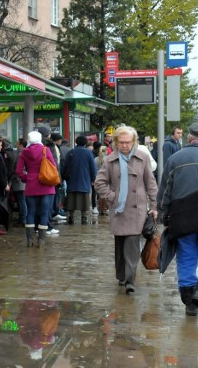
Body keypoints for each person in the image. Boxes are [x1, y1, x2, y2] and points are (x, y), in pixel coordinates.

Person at [94, 125, 158, 295]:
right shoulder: (109, 160)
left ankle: (130, 279)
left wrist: (155, 206)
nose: (124, 145)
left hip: (137, 209)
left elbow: (151, 183)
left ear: (134, 142)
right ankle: (122, 275)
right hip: (118, 208)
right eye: (121, 142)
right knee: (120, 243)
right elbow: (99, 183)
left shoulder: (143, 157)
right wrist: (112, 196)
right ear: (115, 142)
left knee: (132, 243)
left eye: (128, 142)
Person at [158, 122, 198, 317]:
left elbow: (165, 191)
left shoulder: (175, 159)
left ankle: (190, 303)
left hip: (182, 218)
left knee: (186, 257)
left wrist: (164, 216)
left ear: (189, 139)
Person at [16, 131, 58, 247]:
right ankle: (41, 240)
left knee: (30, 212)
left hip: (31, 185)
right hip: (46, 184)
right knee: (44, 213)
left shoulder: (24, 152)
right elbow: (53, 166)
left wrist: (27, 178)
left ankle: (29, 240)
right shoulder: (45, 150)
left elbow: (18, 170)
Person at [61, 135, 97, 225]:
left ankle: (71, 216)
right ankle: (84, 217)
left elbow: (65, 166)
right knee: (84, 199)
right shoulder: (88, 153)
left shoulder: (71, 152)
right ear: (85, 143)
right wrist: (94, 179)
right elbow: (92, 168)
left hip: (72, 180)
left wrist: (64, 177)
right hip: (84, 179)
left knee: (71, 199)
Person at [11, 138, 28, 227]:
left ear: (21, 145)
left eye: (17, 143)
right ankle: (24, 218)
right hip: (24, 181)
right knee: (23, 200)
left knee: (21, 201)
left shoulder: (20, 154)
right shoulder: (27, 153)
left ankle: (23, 220)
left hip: (19, 181)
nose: (16, 145)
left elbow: (16, 168)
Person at [95, 145, 109, 215]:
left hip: (98, 177)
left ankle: (100, 209)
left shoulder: (96, 159)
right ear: (106, 151)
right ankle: (105, 209)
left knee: (100, 194)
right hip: (106, 177)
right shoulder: (108, 159)